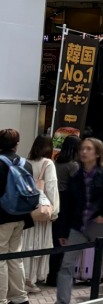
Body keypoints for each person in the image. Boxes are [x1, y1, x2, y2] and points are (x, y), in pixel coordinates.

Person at [56, 137, 103, 304]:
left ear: (98, 153)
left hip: (99, 224)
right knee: (67, 264)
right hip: (78, 225)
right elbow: (68, 204)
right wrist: (63, 231)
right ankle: (62, 301)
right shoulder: (76, 174)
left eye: (88, 149)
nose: (84, 152)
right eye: (82, 149)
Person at [0, 129, 34, 304]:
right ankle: (20, 297)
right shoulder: (25, 164)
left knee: (0, 258)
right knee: (15, 256)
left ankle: (1, 298)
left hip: (1, 218)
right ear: (16, 144)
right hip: (20, 216)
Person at [23, 135, 59, 294]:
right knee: (38, 244)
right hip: (43, 210)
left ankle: (23, 278)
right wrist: (54, 210)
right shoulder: (48, 163)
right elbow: (51, 187)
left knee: (27, 244)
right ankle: (31, 280)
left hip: (29, 210)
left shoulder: (26, 162)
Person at [46, 135, 80, 287]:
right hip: (68, 206)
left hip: (55, 204)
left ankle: (52, 275)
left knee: (55, 241)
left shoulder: (55, 162)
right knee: (66, 242)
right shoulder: (73, 166)